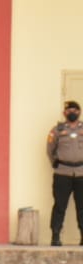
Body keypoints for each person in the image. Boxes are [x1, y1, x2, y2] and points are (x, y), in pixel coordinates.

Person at [47, 100, 83, 246]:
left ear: (79, 112)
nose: (72, 113)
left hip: (81, 173)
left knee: (82, 207)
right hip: (62, 173)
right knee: (60, 206)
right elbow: (50, 149)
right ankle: (55, 236)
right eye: (69, 111)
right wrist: (55, 162)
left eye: (75, 110)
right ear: (64, 113)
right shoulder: (57, 130)